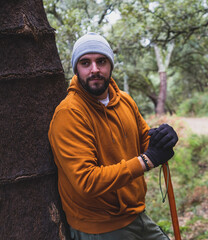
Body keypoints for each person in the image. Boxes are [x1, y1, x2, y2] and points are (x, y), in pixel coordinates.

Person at [48, 32, 178, 240]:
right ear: (76, 69)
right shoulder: (69, 113)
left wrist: (163, 137)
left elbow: (145, 140)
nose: (94, 70)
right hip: (99, 227)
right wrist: (147, 160)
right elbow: (86, 181)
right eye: (85, 63)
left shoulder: (125, 100)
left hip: (136, 215)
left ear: (110, 64)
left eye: (101, 61)